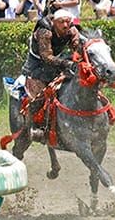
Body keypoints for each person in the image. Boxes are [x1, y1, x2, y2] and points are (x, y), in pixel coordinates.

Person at [22, 9, 81, 141]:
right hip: (38, 65)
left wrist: (76, 37)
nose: (65, 25)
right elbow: (46, 57)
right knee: (38, 97)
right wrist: (67, 64)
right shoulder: (45, 31)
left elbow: (80, 36)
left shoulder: (71, 27)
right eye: (61, 22)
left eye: (67, 22)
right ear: (54, 23)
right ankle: (35, 127)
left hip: (58, 60)